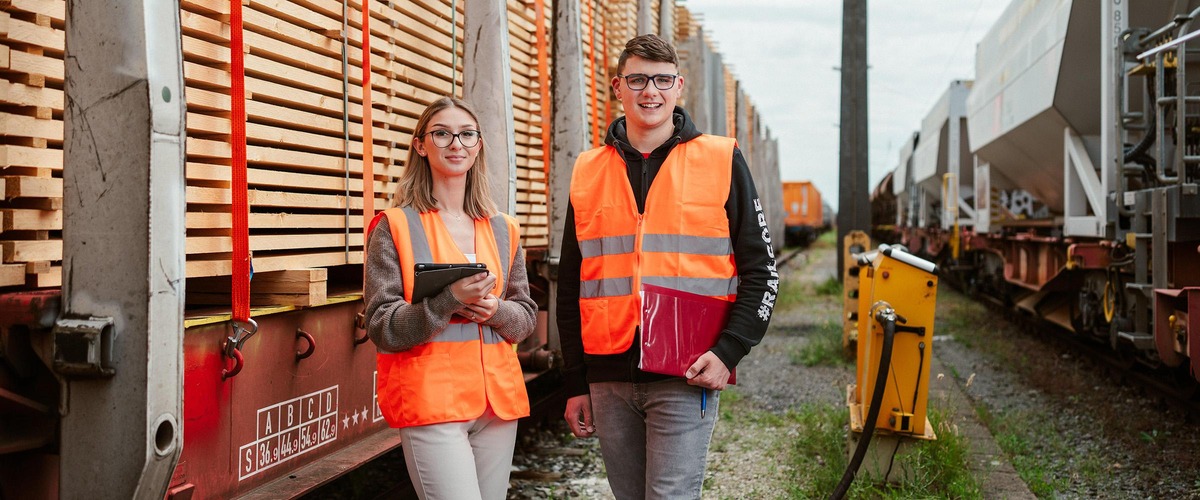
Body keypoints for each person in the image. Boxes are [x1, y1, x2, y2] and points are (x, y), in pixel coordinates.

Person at [557, 34, 778, 499]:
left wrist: (730, 351)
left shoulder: (721, 159)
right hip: (609, 380)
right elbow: (573, 284)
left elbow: (762, 271)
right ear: (617, 87)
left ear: (679, 86)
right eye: (637, 80)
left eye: (661, 80)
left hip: (687, 371)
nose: (649, 92)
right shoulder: (588, 169)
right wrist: (576, 381)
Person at [364, 96, 537, 500]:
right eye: (442, 133)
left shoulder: (502, 228)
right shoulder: (394, 226)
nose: (455, 143)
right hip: (433, 403)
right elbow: (382, 327)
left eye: (466, 134)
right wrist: (448, 300)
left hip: (497, 406)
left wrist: (495, 310)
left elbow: (526, 315)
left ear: (478, 146)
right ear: (421, 145)